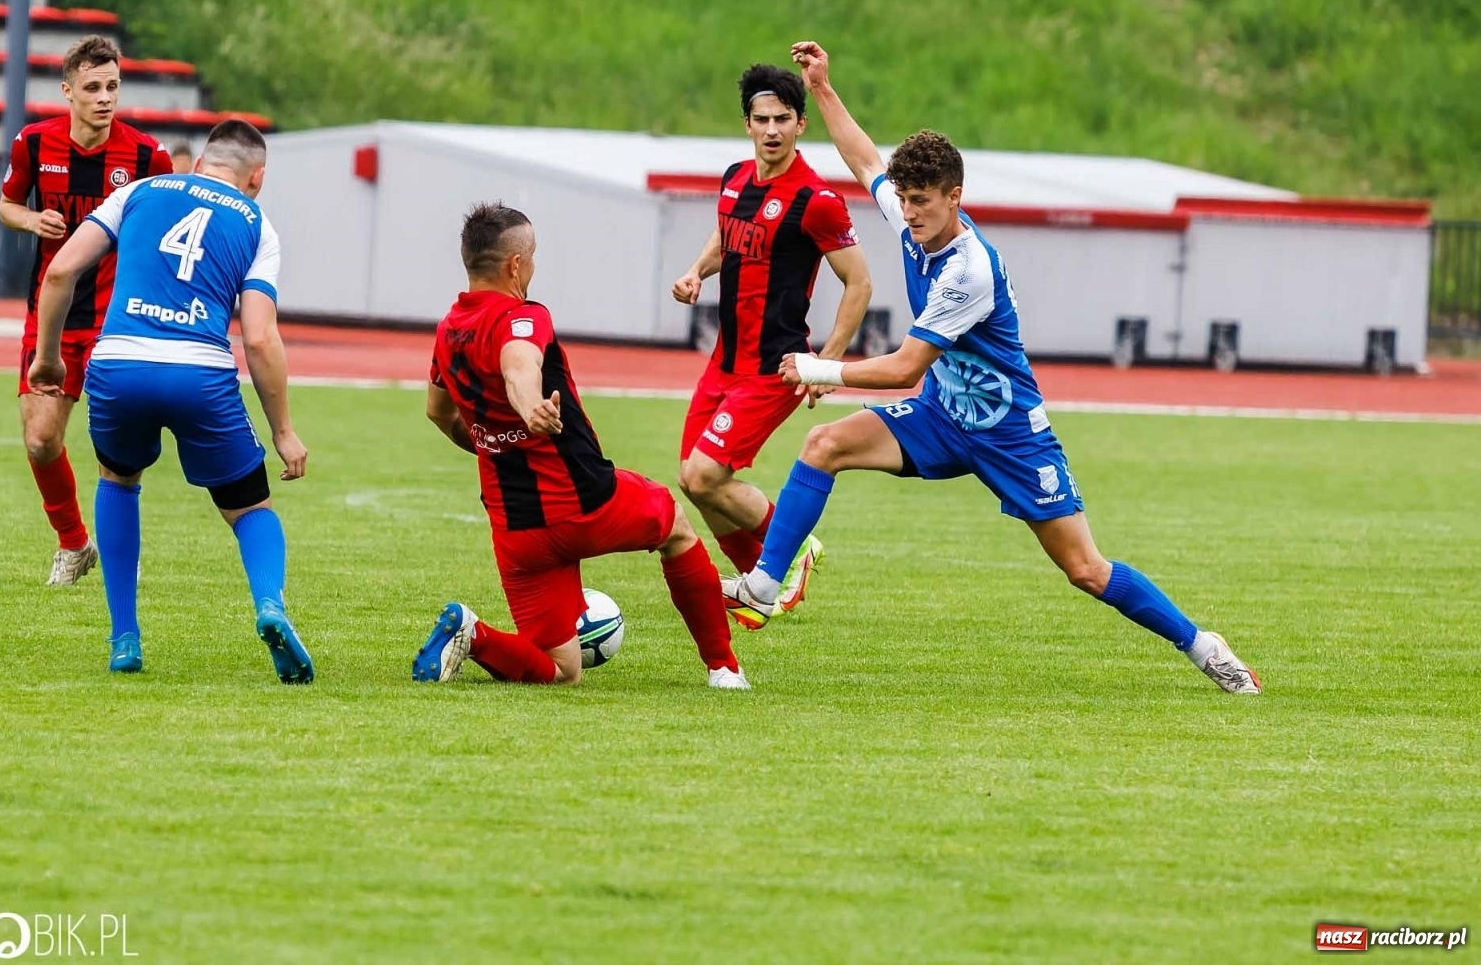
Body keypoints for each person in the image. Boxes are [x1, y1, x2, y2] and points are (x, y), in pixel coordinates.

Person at [720, 41, 1261, 694]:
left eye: (922, 201)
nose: (908, 213)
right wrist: (825, 87)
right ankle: (764, 585)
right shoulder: (915, 218)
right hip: (943, 417)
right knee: (824, 444)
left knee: (1086, 569)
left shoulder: (967, 270)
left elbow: (905, 369)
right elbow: (864, 158)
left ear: (955, 197)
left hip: (1009, 432)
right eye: (906, 200)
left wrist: (821, 370)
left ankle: (1203, 646)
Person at [415, 202, 749, 689]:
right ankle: (724, 668)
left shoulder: (448, 330)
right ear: (514, 264)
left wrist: (493, 443)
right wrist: (529, 409)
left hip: (517, 531)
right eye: (532, 256)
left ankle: (473, 633)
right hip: (583, 503)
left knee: (561, 671)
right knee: (674, 525)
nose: (533, 265)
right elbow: (519, 365)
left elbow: (437, 412)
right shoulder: (522, 317)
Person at [27, 120, 313, 683]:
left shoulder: (136, 191)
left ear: (202, 160)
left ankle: (124, 638)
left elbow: (60, 269)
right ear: (257, 176)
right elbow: (258, 336)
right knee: (250, 508)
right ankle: (270, 607)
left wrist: (49, 358)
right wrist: (283, 430)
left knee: (117, 479)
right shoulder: (257, 225)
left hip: (118, 364)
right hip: (199, 374)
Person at [670, 63, 871, 624]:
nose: (772, 129)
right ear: (747, 124)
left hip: (773, 367)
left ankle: (793, 551)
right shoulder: (734, 178)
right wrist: (695, 272)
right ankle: (760, 586)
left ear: (801, 124)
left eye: (783, 118)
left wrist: (826, 365)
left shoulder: (817, 199)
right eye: (762, 120)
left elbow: (860, 282)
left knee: (706, 475)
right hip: (723, 362)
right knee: (695, 481)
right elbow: (726, 236)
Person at [0, 35, 176, 585]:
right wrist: (31, 220)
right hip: (50, 316)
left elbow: (161, 233)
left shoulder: (149, 157)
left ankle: (120, 550)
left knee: (114, 449)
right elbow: (6, 205)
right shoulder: (33, 144)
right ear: (68, 90)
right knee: (40, 438)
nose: (104, 98)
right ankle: (75, 544)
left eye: (113, 87)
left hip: (116, 322)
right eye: (93, 88)